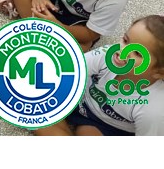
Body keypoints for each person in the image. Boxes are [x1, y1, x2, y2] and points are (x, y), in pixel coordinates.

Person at [36, 14, 164, 136]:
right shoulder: (108, 54)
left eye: (138, 53)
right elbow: (72, 70)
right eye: (125, 40)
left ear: (159, 72)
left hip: (105, 126)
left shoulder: (153, 110)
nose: (122, 51)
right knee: (36, 105)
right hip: (81, 97)